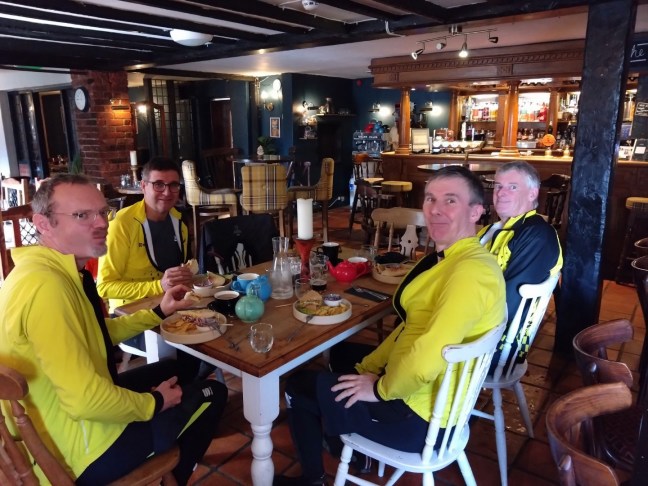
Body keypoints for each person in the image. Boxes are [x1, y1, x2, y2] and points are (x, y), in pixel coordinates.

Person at [275, 166, 506, 485]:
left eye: (451, 200)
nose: (436, 209)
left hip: (418, 421)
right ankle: (347, 445)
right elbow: (409, 329)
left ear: (476, 211)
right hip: (426, 399)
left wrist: (379, 389)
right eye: (430, 199)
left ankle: (314, 477)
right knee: (342, 357)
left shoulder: (470, 273)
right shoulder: (459, 259)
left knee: (299, 386)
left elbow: (427, 357)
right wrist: (369, 368)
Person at [0, 174, 227, 484]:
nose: (101, 223)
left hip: (61, 425)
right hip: (78, 454)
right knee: (214, 393)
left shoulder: (43, 270)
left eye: (102, 212)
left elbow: (96, 333)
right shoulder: (48, 288)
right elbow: (85, 401)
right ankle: (167, 473)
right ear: (43, 224)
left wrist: (159, 311)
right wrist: (155, 403)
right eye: (82, 215)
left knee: (175, 370)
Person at [97, 157, 204, 378]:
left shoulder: (179, 222)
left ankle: (193, 387)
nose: (167, 192)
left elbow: (175, 273)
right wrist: (158, 286)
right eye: (158, 185)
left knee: (212, 327)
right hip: (128, 318)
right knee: (191, 346)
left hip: (170, 307)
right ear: (143, 186)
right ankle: (183, 389)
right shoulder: (121, 225)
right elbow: (104, 287)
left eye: (173, 185)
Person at [477, 160, 563, 369]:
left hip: (494, 344)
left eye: (513, 187)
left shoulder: (537, 235)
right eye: (498, 186)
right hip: (474, 322)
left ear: (532, 193)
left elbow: (510, 301)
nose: (501, 193)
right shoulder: (492, 230)